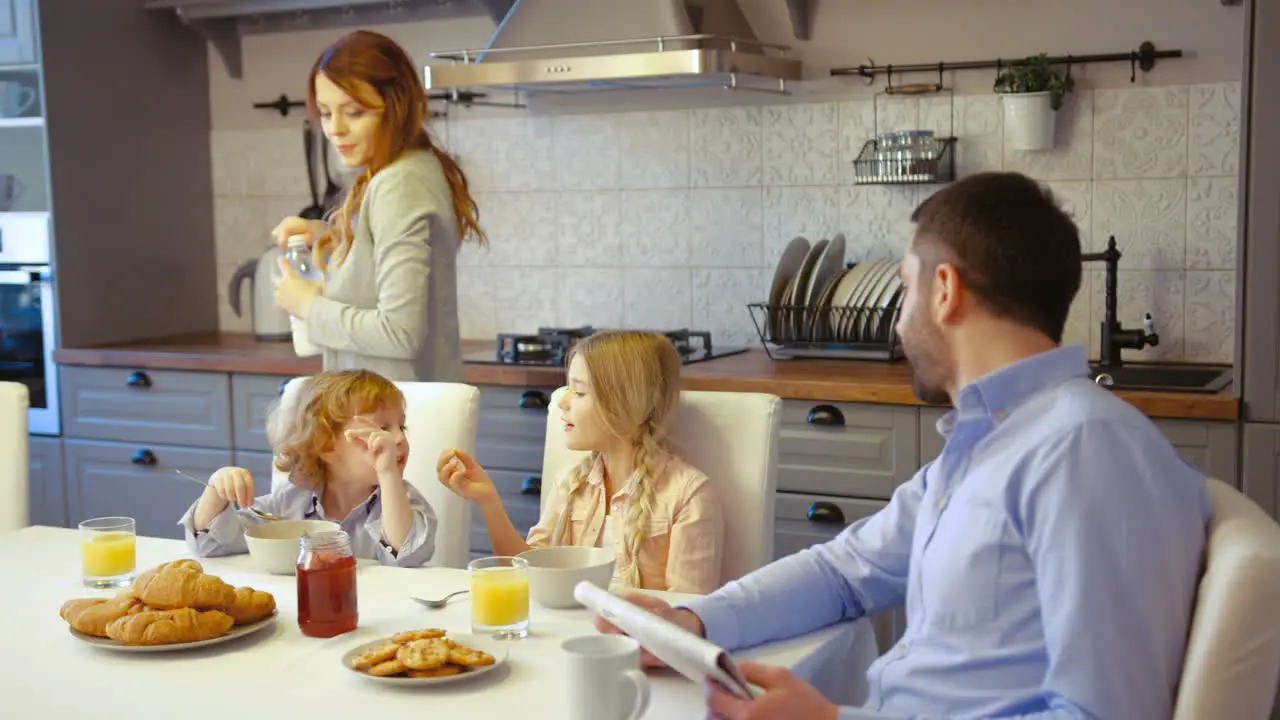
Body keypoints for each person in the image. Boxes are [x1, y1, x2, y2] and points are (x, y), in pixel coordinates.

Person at [595, 172, 1211, 719]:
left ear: (945, 290)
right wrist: (694, 622)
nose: (897, 322)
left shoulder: (1086, 451)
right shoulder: (992, 440)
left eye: (904, 289)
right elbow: (845, 573)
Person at [437, 330, 725, 594]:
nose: (562, 401)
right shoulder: (570, 482)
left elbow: (687, 611)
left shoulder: (689, 496)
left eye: (579, 391)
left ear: (625, 403)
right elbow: (529, 574)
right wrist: (488, 501)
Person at [271, 29, 485, 383]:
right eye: (325, 113)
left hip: (394, 419)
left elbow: (400, 333)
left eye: (354, 112)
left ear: (396, 107)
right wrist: (332, 234)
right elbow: (379, 260)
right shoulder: (409, 168)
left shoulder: (399, 183)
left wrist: (307, 305)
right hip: (387, 419)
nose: (335, 129)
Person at [179, 369, 438, 568]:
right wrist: (216, 488)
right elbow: (211, 545)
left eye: (401, 427)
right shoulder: (289, 503)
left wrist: (389, 474)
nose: (400, 438)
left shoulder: (402, 500)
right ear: (325, 446)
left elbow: (407, 556)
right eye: (382, 429)